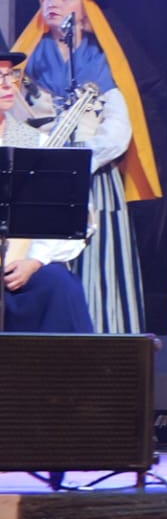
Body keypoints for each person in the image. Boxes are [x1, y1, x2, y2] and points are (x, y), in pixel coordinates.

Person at [12, 0, 161, 334]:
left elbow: (118, 130)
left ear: (85, 7)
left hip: (92, 175)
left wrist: (75, 160)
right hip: (40, 175)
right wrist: (45, 157)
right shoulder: (30, 58)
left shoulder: (102, 60)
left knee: (99, 262)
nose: (53, 3)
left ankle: (104, 343)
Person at [0, 50, 94, 333]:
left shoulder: (34, 144)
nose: (7, 85)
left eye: (11, 75)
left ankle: (68, 374)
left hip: (18, 265)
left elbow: (65, 217)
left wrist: (34, 261)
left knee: (59, 285)